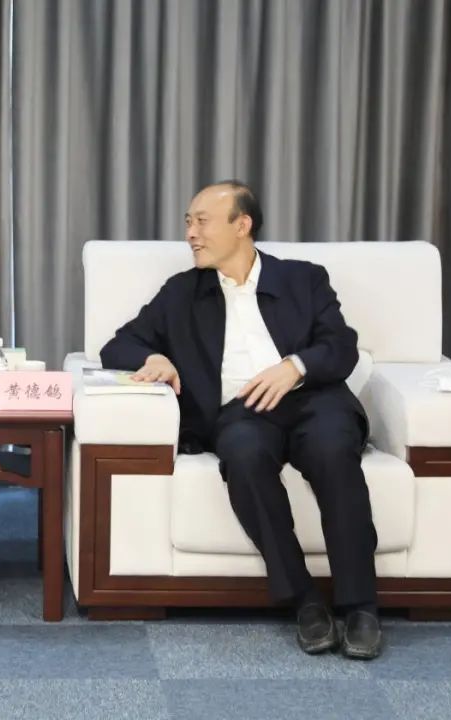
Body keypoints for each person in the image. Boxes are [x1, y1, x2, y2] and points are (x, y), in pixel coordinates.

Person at [100, 180, 382, 659]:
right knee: (244, 455)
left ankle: (361, 606)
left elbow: (341, 346)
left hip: (313, 399)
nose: (191, 233)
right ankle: (305, 600)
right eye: (188, 223)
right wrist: (155, 358)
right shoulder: (182, 292)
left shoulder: (302, 279)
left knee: (334, 450)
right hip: (241, 413)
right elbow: (118, 345)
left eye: (202, 221)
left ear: (242, 225)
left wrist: (294, 367)